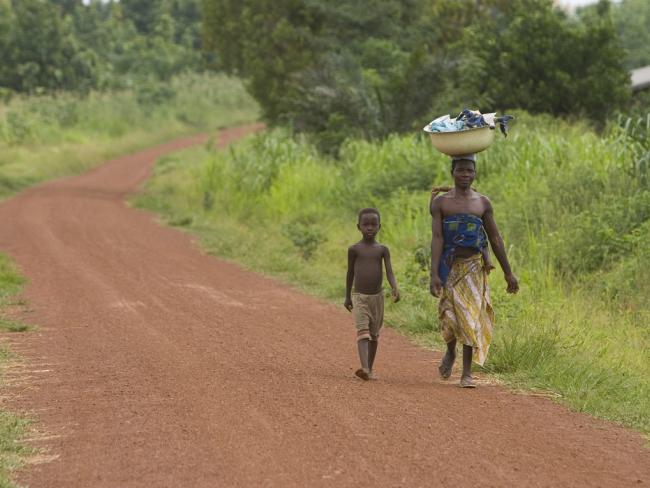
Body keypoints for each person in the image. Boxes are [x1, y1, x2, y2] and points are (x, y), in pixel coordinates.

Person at [430, 154, 518, 388]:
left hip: (473, 267)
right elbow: (437, 238)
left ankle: (466, 373)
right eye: (461, 170)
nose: (465, 175)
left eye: (470, 170)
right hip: (449, 266)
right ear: (452, 172)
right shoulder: (441, 203)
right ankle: (450, 351)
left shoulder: (482, 203)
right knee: (449, 318)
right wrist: (434, 273)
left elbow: (495, 238)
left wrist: (508, 272)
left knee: (469, 316)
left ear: (475, 173)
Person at [344, 208, 400, 381]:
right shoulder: (354, 249)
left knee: (374, 336)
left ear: (379, 227)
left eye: (373, 224)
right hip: (359, 296)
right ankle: (365, 368)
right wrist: (347, 296)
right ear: (358, 227)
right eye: (365, 224)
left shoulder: (382, 250)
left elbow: (389, 271)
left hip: (377, 298)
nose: (369, 228)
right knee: (363, 332)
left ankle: (370, 368)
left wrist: (394, 287)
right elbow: (350, 273)